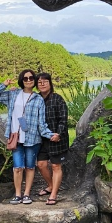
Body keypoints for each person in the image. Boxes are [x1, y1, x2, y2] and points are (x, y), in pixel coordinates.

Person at [0, 69, 58, 204]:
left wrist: (50, 134)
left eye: (31, 78)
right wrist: (4, 84)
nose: (28, 80)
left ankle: (26, 194)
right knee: (17, 167)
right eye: (25, 78)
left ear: (34, 81)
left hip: (32, 138)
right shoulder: (13, 94)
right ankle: (17, 194)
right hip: (16, 136)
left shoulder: (38, 99)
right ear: (22, 80)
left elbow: (41, 122)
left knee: (30, 167)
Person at [35, 73, 69, 205]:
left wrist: (58, 134)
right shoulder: (35, 99)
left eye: (45, 81)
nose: (42, 84)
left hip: (57, 138)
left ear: (50, 83)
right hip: (41, 139)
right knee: (41, 165)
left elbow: (63, 119)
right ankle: (50, 185)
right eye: (39, 82)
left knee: (55, 165)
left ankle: (54, 194)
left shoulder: (57, 99)